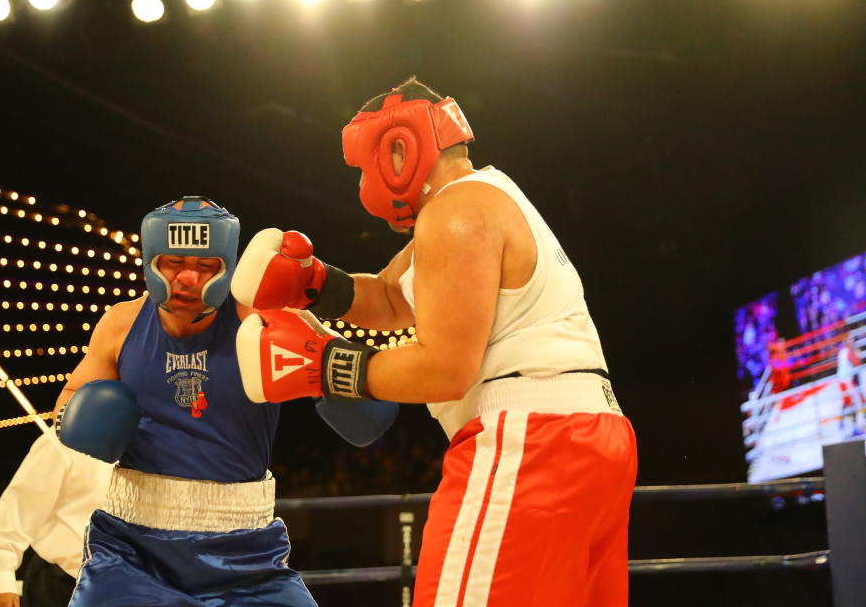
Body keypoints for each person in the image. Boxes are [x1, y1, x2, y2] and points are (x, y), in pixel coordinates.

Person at [231, 77, 638, 606]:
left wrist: (324, 365)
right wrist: (314, 282)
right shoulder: (487, 195)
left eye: (361, 168)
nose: (361, 186)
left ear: (398, 150)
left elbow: (446, 369)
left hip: (529, 442)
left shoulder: (456, 212)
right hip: (592, 438)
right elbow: (392, 298)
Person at [54, 196, 396, 606]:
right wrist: (81, 418)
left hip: (247, 552)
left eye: (204, 267)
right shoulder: (121, 323)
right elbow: (68, 402)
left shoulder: (268, 318)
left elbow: (368, 419)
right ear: (150, 262)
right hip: (132, 549)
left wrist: (321, 362)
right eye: (174, 264)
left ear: (227, 268)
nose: (186, 279)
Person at [0, 432, 111, 607]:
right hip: (59, 586)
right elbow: (18, 509)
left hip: (127, 589)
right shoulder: (67, 438)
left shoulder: (149, 445)